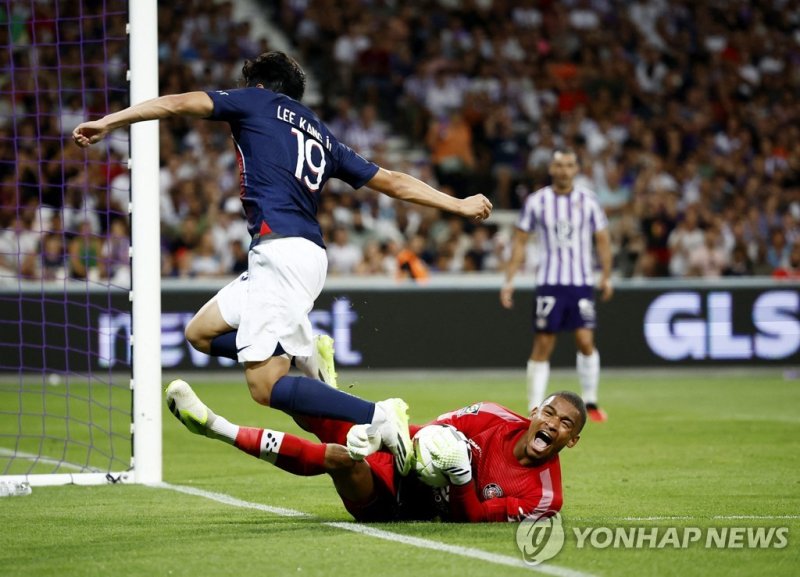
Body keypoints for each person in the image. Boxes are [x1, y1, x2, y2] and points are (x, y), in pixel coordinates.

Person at [73, 51, 493, 473]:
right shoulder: (321, 133)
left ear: (259, 85)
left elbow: (176, 103)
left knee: (264, 386)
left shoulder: (255, 101)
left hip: (282, 253)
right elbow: (394, 181)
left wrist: (109, 122)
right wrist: (458, 204)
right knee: (199, 332)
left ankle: (378, 414)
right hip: (297, 253)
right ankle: (302, 356)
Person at [166, 379, 584, 522]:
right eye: (549, 413)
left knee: (340, 458)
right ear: (535, 412)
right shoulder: (492, 415)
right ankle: (316, 378)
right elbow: (433, 432)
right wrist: (390, 440)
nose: (552, 424)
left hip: (399, 504)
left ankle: (215, 427)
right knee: (316, 415)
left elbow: (469, 517)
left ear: (571, 440)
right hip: (401, 463)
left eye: (565, 424)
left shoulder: (545, 497)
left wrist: (461, 477)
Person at [500, 149, 613, 422]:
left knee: (585, 340)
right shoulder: (537, 201)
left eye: (569, 165)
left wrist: (606, 275)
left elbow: (602, 239)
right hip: (549, 282)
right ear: (551, 169)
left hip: (581, 282)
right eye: (559, 165)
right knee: (543, 342)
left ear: (576, 169)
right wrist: (509, 280)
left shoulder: (588, 200)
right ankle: (534, 406)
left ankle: (591, 401)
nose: (564, 170)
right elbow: (520, 241)